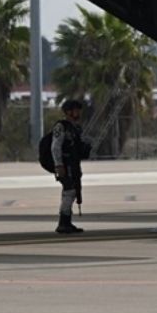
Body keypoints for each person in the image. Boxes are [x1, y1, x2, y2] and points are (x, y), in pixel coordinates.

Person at [52, 99, 91, 235]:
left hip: (73, 165)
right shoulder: (61, 127)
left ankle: (66, 221)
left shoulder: (75, 128)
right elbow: (55, 146)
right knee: (69, 192)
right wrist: (58, 165)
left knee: (72, 192)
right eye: (76, 110)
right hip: (65, 164)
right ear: (68, 111)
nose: (78, 112)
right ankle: (63, 223)